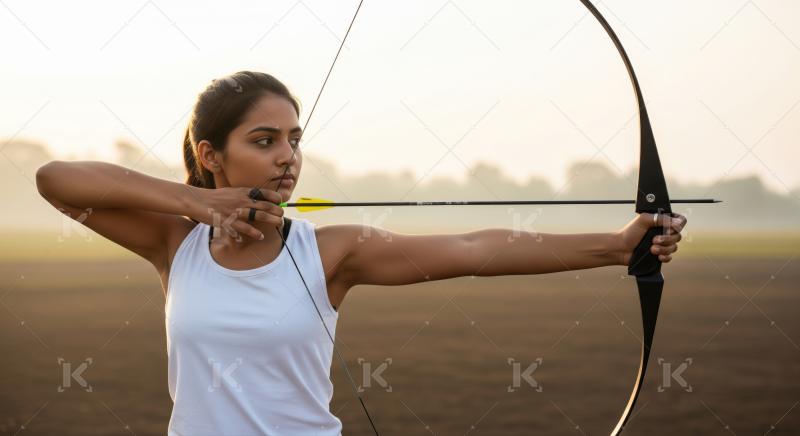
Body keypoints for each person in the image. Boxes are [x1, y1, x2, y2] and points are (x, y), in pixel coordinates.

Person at [35, 70, 686, 435]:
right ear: (211, 154)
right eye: (264, 140)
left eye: (294, 139)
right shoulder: (175, 242)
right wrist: (196, 203)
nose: (288, 157)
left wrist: (616, 247)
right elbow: (56, 179)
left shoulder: (332, 251)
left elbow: (473, 247)